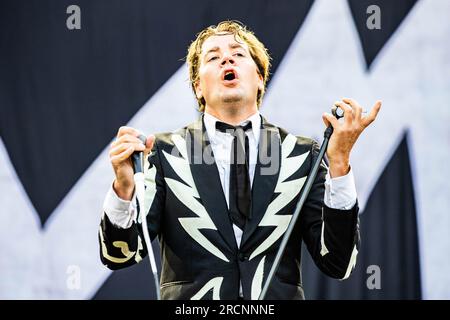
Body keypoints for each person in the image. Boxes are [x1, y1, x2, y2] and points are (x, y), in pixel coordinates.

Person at [99, 20, 381, 300]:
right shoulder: (165, 152)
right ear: (198, 86)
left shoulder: (301, 154)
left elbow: (338, 263)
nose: (226, 59)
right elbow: (119, 254)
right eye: (213, 57)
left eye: (238, 53)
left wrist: (340, 163)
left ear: (260, 78)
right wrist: (123, 190)